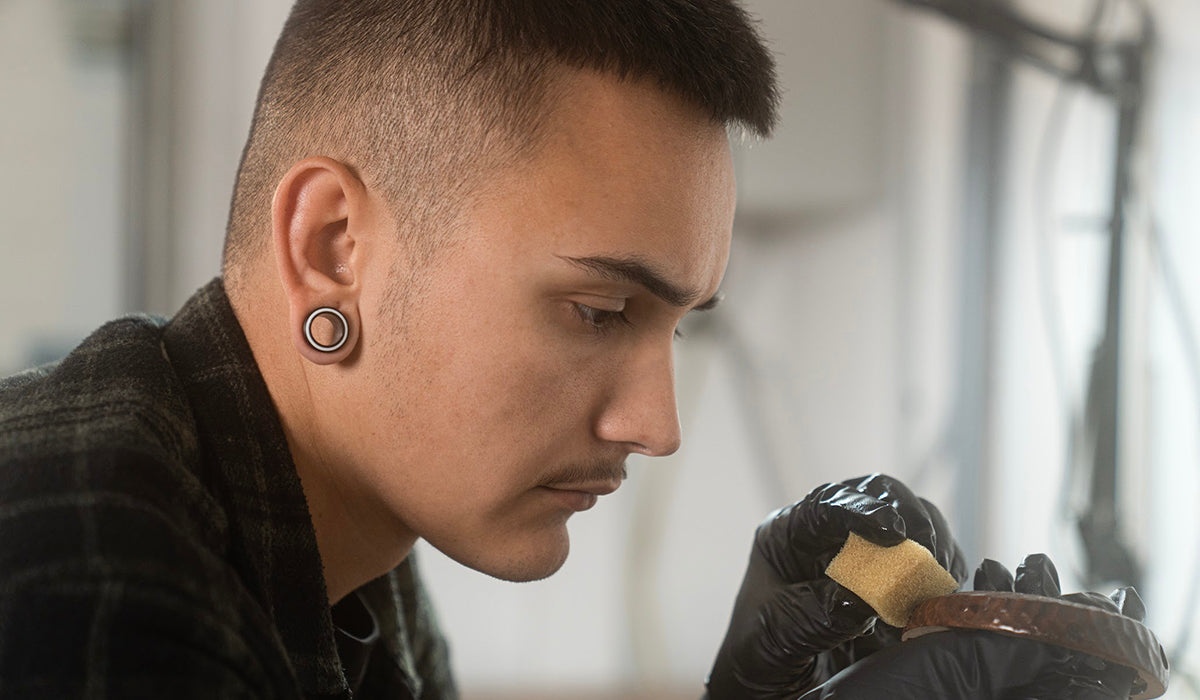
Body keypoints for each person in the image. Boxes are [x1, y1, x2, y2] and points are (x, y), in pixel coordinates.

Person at [0, 1, 1148, 698]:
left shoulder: (351, 551)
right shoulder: (91, 564)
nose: (657, 424)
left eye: (680, 325)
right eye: (600, 312)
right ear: (334, 245)